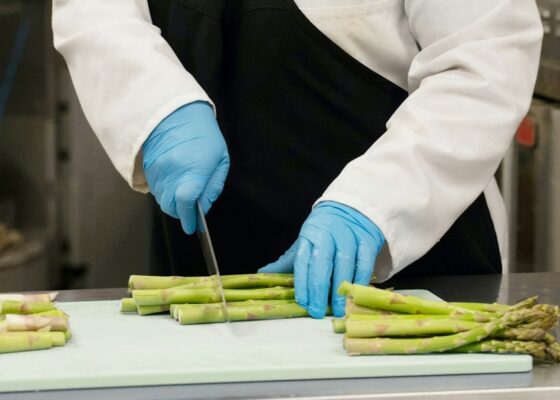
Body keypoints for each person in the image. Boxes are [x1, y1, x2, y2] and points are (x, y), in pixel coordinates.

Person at [52, 0, 542, 319]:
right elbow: (97, 11)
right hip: (202, 289)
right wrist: (153, 107)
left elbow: (483, 59)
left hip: (412, 276)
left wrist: (373, 206)